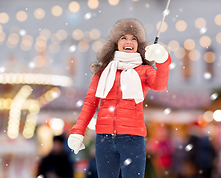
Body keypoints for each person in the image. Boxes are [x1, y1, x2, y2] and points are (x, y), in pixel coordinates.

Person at [67, 19, 171, 178]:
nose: (129, 42)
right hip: (104, 140)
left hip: (133, 139)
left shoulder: (144, 71)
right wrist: (78, 131)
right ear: (116, 42)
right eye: (124, 38)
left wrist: (162, 59)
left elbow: (160, 85)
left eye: (133, 38)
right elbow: (90, 103)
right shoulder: (102, 72)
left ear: (138, 44)